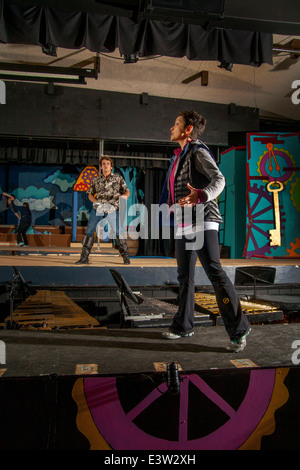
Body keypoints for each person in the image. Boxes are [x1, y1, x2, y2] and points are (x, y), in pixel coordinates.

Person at [160, 110, 250, 352]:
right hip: (183, 222)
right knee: (184, 277)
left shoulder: (198, 151)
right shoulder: (178, 156)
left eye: (176, 123)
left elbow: (218, 180)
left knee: (214, 272)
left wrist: (201, 195)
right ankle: (184, 325)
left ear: (188, 129)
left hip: (202, 219)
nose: (171, 127)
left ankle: (239, 328)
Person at [76, 155, 131, 265]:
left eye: (108, 164)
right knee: (89, 230)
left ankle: (126, 257)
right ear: (101, 167)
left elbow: (126, 191)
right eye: (103, 164)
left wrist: (125, 196)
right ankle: (84, 257)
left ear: (111, 166)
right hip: (99, 208)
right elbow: (90, 194)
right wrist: (95, 202)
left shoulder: (118, 178)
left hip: (112, 208)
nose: (106, 165)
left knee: (118, 232)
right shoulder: (96, 180)